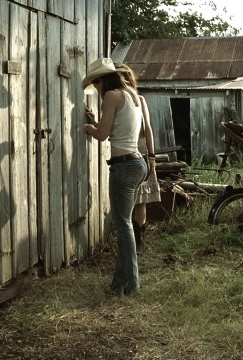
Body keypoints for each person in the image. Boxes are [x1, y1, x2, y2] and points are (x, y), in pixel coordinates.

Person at [82, 58, 147, 295]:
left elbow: (101, 135)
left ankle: (130, 284)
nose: (96, 90)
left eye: (95, 85)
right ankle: (120, 283)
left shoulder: (111, 96)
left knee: (123, 225)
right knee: (125, 224)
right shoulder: (131, 95)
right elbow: (118, 129)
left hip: (124, 166)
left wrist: (88, 128)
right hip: (137, 162)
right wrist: (96, 122)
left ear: (102, 80)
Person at [115, 64, 160, 253]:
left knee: (141, 199)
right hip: (125, 151)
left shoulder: (139, 100)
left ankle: (139, 239)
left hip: (139, 150)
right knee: (129, 199)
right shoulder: (116, 99)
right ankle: (130, 240)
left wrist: (151, 155)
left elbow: (147, 128)